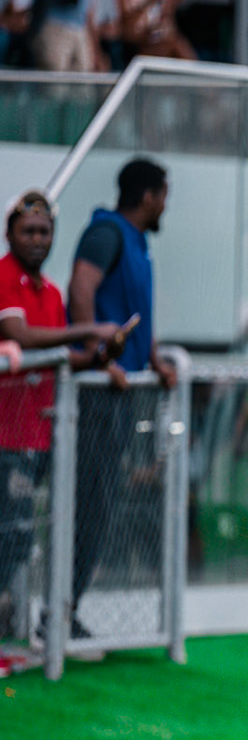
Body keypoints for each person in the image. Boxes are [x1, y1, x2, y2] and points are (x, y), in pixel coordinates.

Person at [67, 157, 176, 633]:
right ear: (149, 195)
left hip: (120, 392)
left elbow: (135, 313)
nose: (165, 204)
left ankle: (66, 607)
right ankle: (59, 609)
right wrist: (98, 358)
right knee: (85, 501)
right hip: (96, 393)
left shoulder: (135, 243)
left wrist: (153, 361)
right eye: (164, 194)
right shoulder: (107, 233)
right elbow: (81, 289)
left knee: (100, 502)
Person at [0, 189, 117, 632]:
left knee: (20, 539)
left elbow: (60, 355)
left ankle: (17, 636)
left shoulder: (49, 291)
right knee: (10, 539)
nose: (37, 239)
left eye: (44, 232)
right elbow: (22, 336)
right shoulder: (3, 277)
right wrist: (91, 329)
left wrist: (103, 354)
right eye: (27, 230)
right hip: (6, 438)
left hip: (41, 433)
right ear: (9, 233)